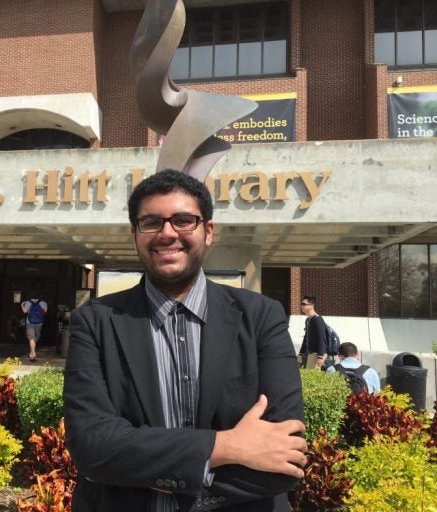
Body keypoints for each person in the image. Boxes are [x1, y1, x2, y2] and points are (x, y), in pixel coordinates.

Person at [63, 170, 306, 512]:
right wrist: (225, 446)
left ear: (208, 232)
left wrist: (148, 475)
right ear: (135, 234)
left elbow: (285, 458)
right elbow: (93, 448)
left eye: (183, 220)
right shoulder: (95, 321)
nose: (166, 233)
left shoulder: (261, 317)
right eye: (151, 222)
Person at [297, 295, 327, 369]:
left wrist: (320, 356)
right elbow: (306, 337)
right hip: (311, 354)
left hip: (317, 354)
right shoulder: (308, 320)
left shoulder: (317, 319)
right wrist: (301, 353)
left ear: (311, 306)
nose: (301, 306)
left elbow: (322, 337)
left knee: (312, 376)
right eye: (301, 304)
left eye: (304, 304)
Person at [21, 297, 47, 361]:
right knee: (35, 338)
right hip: (39, 323)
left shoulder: (28, 302)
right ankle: (33, 353)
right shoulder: (43, 302)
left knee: (31, 338)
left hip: (30, 322)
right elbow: (45, 311)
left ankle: (31, 352)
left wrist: (22, 305)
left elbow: (25, 311)